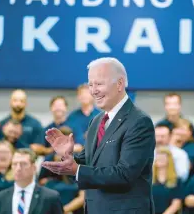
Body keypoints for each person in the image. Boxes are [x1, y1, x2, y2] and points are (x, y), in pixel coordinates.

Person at [42, 57, 156, 214]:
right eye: (90, 84)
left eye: (99, 84)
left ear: (120, 84)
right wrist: (68, 157)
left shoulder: (139, 121)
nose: (93, 90)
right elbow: (89, 163)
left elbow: (124, 175)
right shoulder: (96, 121)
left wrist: (77, 170)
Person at [0, 148, 63, 214]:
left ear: (34, 168)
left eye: (23, 164)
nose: (18, 168)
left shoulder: (50, 198)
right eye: (15, 164)